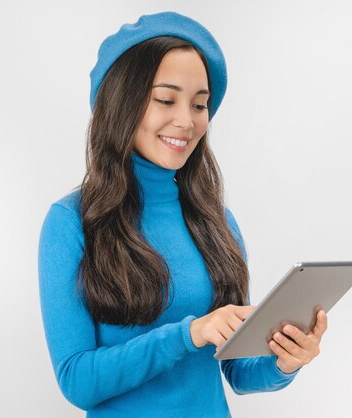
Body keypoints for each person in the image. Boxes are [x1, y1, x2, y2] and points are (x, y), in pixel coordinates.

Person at [37, 11, 327, 417]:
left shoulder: (218, 223)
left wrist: (285, 360)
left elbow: (236, 370)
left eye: (200, 104)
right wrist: (188, 334)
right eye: (165, 99)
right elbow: (77, 381)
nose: (186, 121)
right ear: (122, 102)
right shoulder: (71, 222)